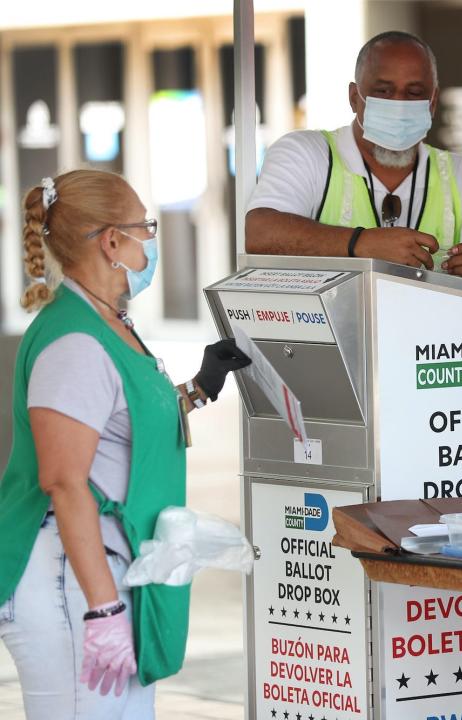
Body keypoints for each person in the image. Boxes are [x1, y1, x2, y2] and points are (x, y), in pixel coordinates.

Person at [0, 170, 251, 718]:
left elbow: (116, 422)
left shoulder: (109, 323)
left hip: (97, 571)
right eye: (147, 227)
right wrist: (102, 609)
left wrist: (197, 390)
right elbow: (64, 482)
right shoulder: (74, 341)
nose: (151, 241)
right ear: (113, 241)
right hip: (70, 578)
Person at [246, 30, 462, 290]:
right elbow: (259, 233)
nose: (399, 103)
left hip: (425, 345)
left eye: (414, 92)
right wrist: (359, 243)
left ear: (432, 103)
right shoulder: (307, 152)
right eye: (383, 91)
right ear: (354, 98)